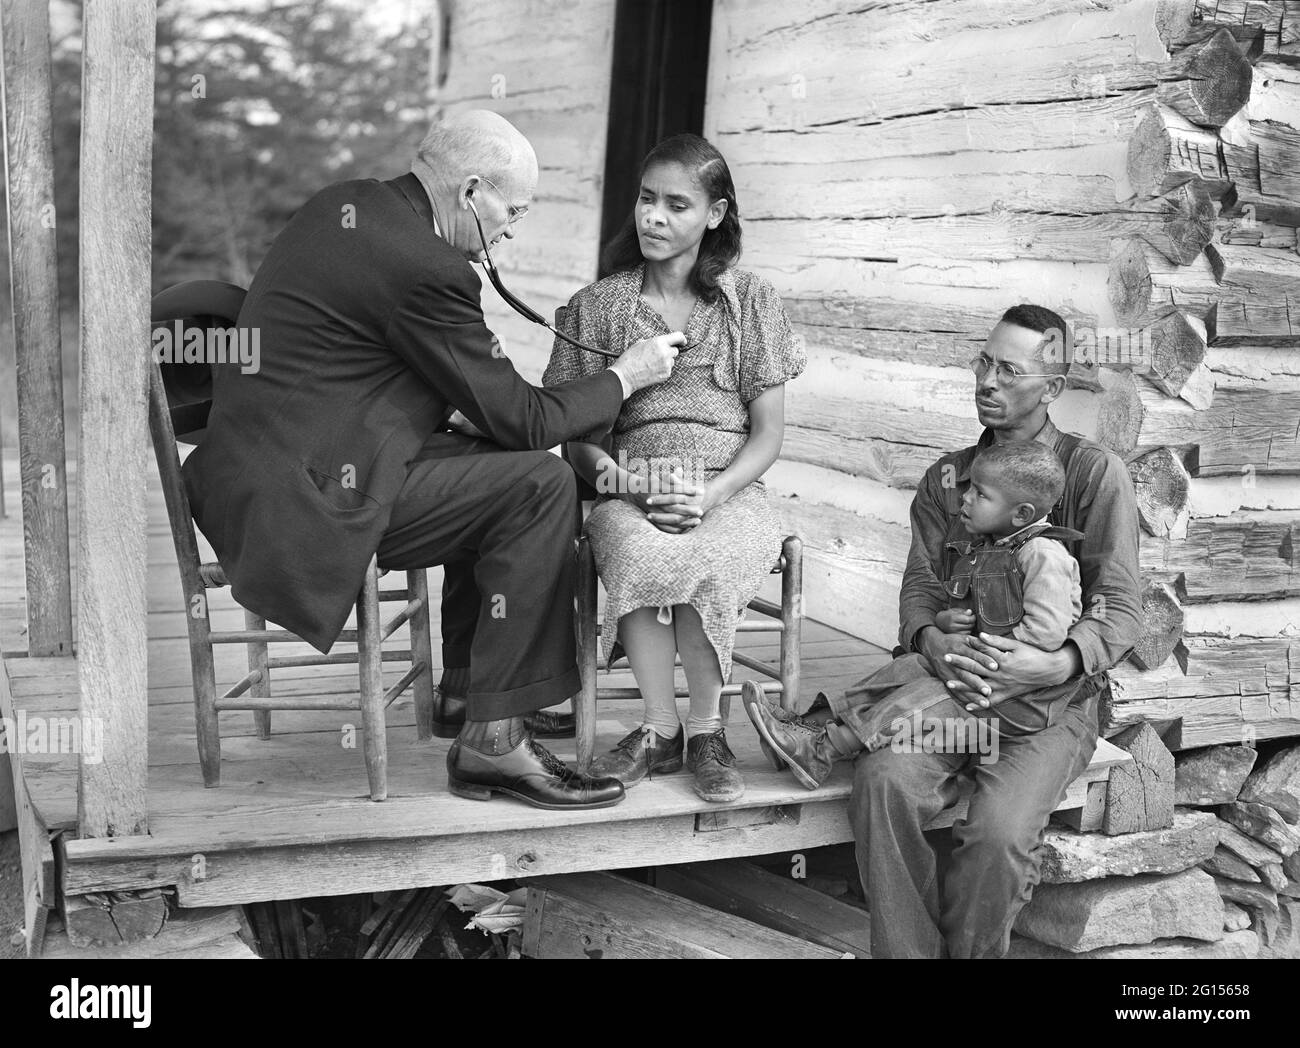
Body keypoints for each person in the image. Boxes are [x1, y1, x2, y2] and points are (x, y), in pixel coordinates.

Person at [183, 110, 682, 811]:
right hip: (306, 505)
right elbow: (528, 419)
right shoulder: (427, 268)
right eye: (512, 209)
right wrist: (625, 376)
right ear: (472, 191)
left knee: (491, 459)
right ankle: (493, 741)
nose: (512, 229)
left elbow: (357, 357)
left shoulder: (348, 203)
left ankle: (471, 694)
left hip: (255, 473)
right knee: (537, 482)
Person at [743, 304, 1142, 957]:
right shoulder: (950, 482)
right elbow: (922, 588)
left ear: (1052, 387)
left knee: (997, 833)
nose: (987, 380)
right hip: (952, 683)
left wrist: (1061, 661)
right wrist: (933, 639)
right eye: (984, 362)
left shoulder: (1093, 476)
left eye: (1009, 370)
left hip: (1052, 703)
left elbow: (1123, 605)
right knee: (884, 782)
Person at [543, 133, 805, 804]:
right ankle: (658, 730)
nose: (654, 217)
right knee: (635, 548)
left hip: (731, 487)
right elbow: (575, 439)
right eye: (647, 199)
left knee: (712, 555)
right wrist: (632, 488)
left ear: (715, 214)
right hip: (630, 485)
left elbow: (768, 434)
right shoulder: (598, 307)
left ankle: (706, 731)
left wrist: (712, 493)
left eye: (677, 205)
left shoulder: (752, 303)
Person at [746, 439, 1084, 782]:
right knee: (910, 666)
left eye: (981, 494)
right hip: (981, 673)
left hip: (1018, 699)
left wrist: (985, 658)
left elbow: (1046, 632)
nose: (965, 498)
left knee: (925, 696)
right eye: (969, 489)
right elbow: (977, 610)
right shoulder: (989, 547)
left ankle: (821, 751)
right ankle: (807, 727)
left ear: (1022, 514)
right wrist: (945, 622)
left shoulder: (1043, 555)